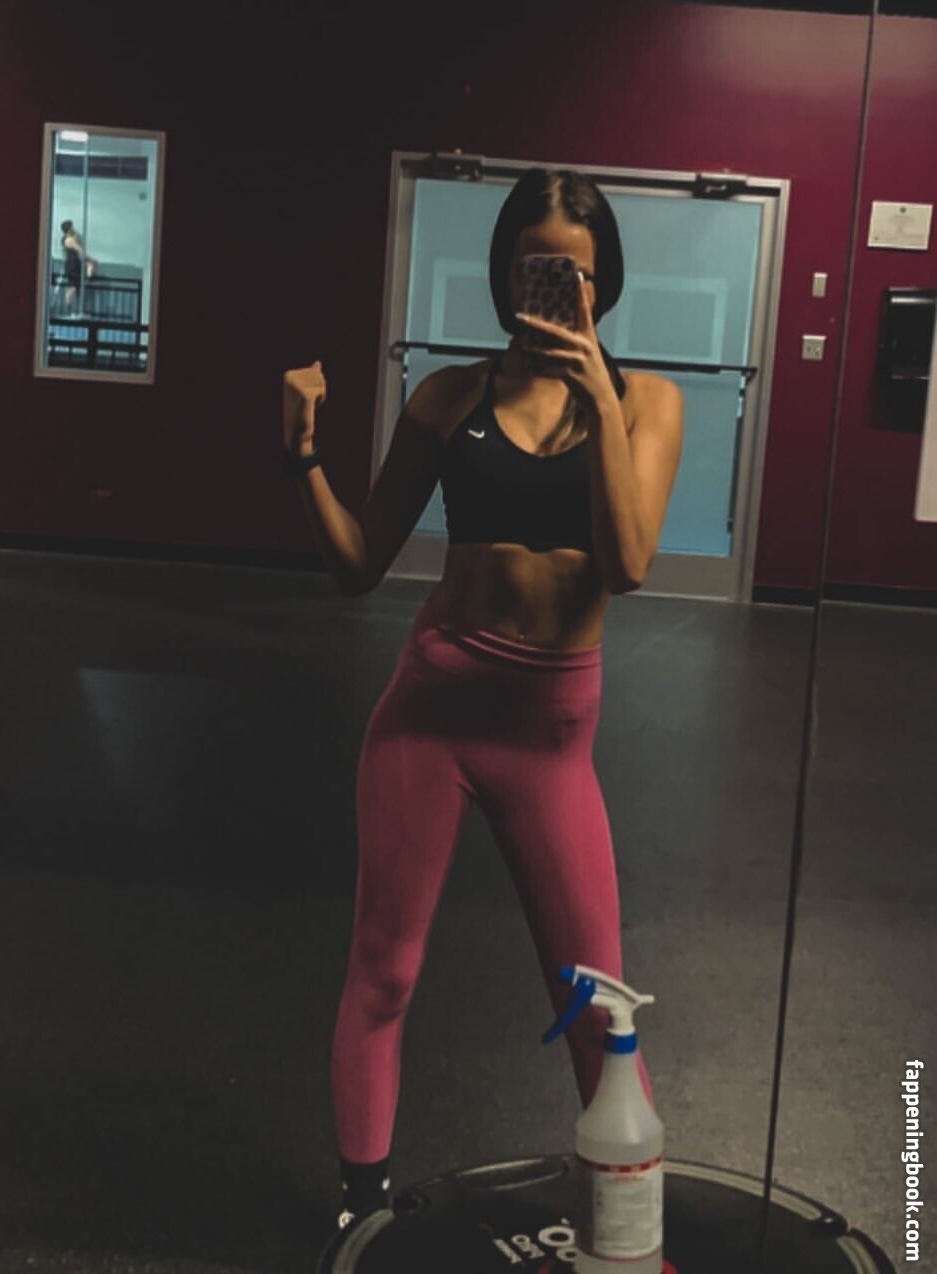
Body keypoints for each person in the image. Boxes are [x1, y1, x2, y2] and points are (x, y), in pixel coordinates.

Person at [281, 167, 684, 1263]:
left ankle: (632, 1226)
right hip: (434, 709)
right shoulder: (447, 398)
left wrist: (592, 391)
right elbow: (358, 564)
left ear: (602, 285)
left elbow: (629, 562)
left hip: (550, 734)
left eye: (575, 275)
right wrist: (302, 452)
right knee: (385, 969)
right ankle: (360, 1201)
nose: (553, 290)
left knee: (598, 1000)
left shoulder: (645, 403)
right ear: (505, 274)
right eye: (533, 269)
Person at [59, 220, 98, 316]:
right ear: (69, 229)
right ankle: (68, 311)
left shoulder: (69, 239)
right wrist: (91, 259)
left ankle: (74, 310)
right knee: (73, 287)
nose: (74, 229)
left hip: (75, 264)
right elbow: (80, 250)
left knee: (75, 287)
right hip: (72, 266)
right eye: (72, 227)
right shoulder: (69, 240)